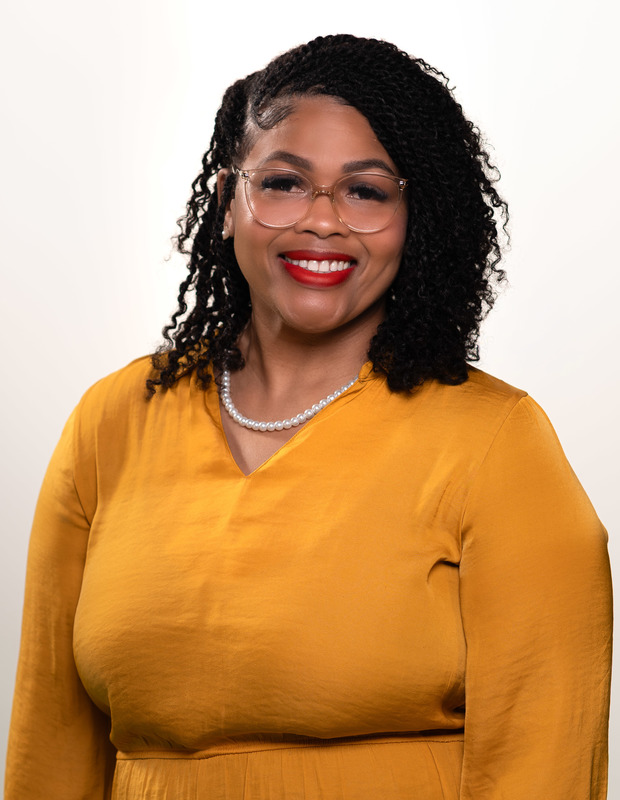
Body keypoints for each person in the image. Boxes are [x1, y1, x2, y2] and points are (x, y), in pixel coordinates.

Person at [5, 34, 612, 800]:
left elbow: (545, 760)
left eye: (365, 191)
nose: (322, 221)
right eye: (286, 183)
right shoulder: (113, 422)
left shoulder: (495, 442)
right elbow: (47, 750)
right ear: (228, 205)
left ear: (411, 221)